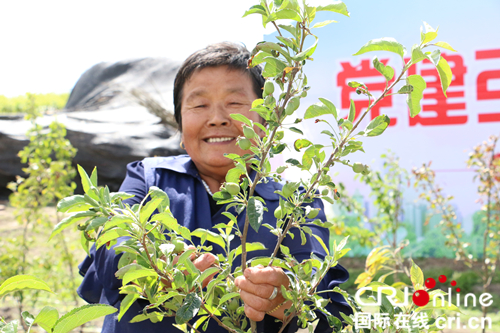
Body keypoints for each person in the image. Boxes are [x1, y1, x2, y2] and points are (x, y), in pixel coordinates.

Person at [77, 42, 352, 333]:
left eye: (234, 103)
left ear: (264, 121)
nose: (217, 118)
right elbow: (112, 254)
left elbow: (325, 302)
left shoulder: (297, 202)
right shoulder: (147, 178)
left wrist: (287, 299)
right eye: (199, 105)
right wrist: (163, 269)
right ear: (180, 124)